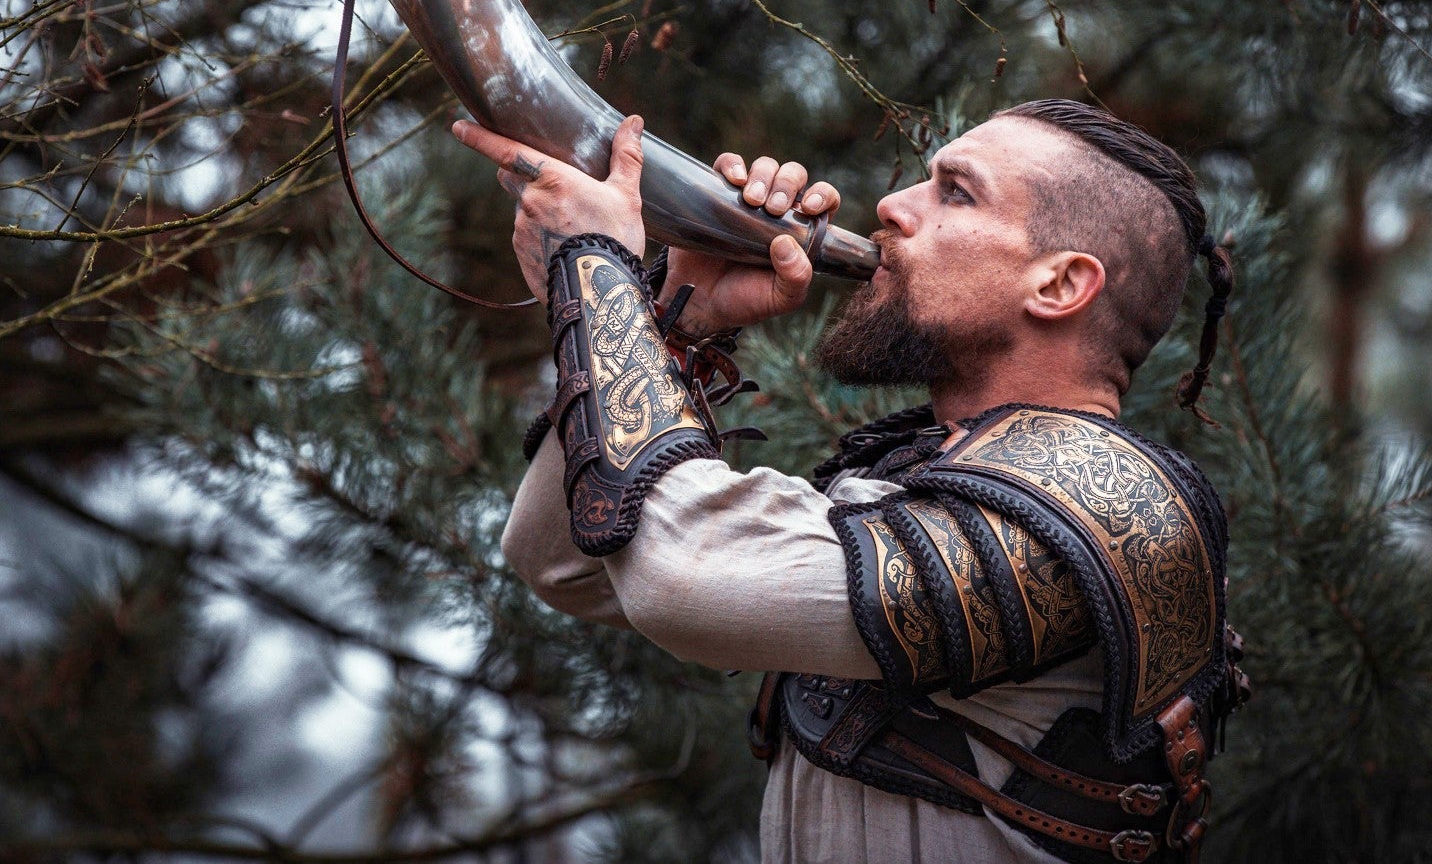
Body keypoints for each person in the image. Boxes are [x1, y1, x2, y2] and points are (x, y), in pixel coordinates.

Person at [451, 100, 1247, 864]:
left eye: (956, 194)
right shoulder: (928, 472)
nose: (894, 206)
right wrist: (677, 317)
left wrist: (598, 276)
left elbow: (679, 578)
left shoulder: (1112, 507)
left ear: (1060, 285)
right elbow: (564, 560)